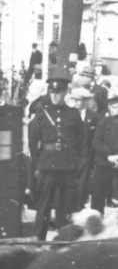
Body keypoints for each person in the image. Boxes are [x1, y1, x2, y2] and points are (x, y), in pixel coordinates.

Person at [27, 70, 84, 240]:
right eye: (52, 92)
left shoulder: (73, 114)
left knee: (65, 204)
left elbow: (81, 140)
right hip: (47, 163)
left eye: (58, 92)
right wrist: (38, 163)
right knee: (44, 203)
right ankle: (39, 239)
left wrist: (74, 160)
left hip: (67, 163)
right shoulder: (42, 113)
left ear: (65, 92)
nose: (54, 95)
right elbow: (33, 141)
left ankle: (63, 238)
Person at [68, 87, 99, 210]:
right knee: (71, 178)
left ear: (85, 101)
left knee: (83, 180)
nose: (76, 102)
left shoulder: (93, 116)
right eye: (74, 100)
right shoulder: (69, 114)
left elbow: (96, 135)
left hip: (86, 152)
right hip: (71, 151)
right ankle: (70, 204)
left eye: (79, 100)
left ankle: (78, 205)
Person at [90, 90, 118, 212]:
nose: (112, 109)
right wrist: (108, 155)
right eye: (111, 106)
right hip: (104, 162)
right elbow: (96, 142)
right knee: (98, 195)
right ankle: (96, 217)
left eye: (115, 106)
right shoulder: (103, 122)